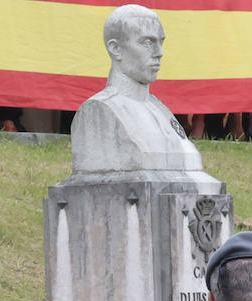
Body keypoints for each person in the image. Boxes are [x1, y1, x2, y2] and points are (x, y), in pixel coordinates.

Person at [71, 4, 206, 174]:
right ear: (116, 49)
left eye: (161, 42)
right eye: (148, 43)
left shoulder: (160, 109)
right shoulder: (98, 110)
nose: (159, 52)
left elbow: (192, 160)